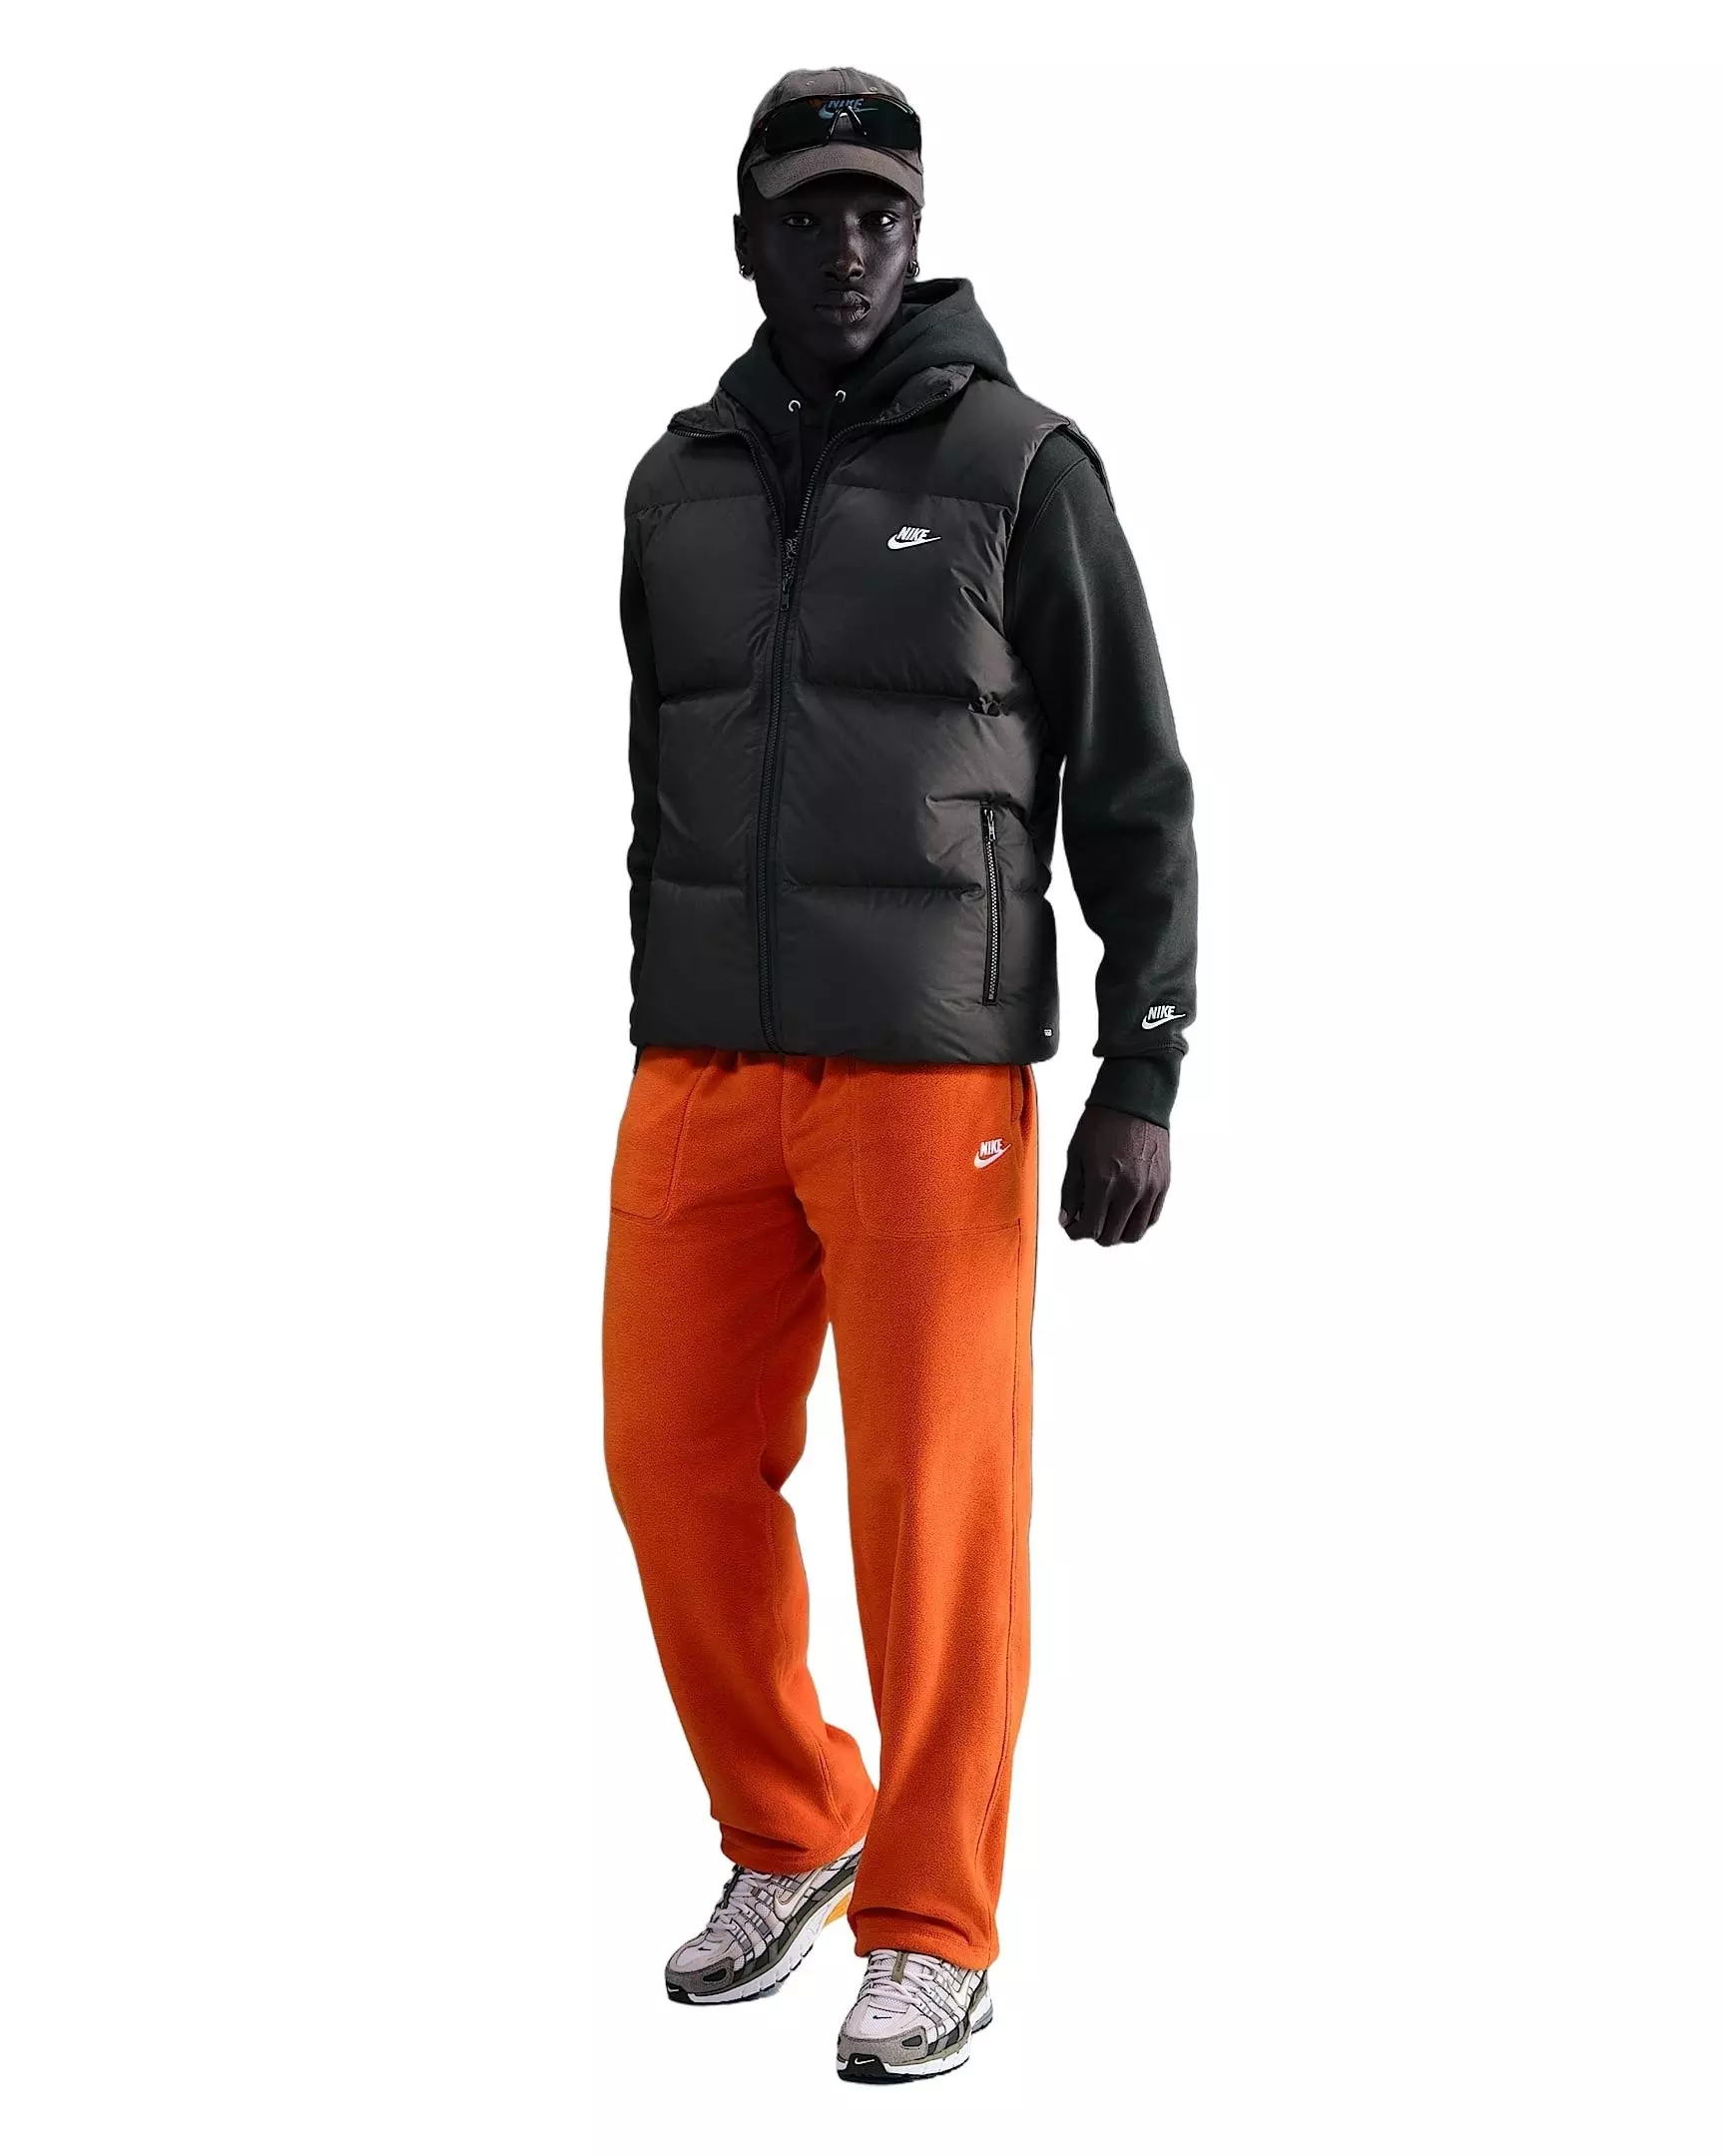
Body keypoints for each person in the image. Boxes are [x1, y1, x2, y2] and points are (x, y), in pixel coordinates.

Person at [604, 67, 1197, 2083]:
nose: (850, 244)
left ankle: (934, 1925)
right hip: (702, 1067)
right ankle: (795, 1825)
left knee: (933, 1508)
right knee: (669, 1465)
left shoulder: (1024, 466)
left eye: (881, 210)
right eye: (811, 211)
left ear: (918, 230)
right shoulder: (675, 487)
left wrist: (1144, 1063)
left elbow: (1134, 782)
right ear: (746, 237)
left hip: (930, 1089)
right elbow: (666, 780)